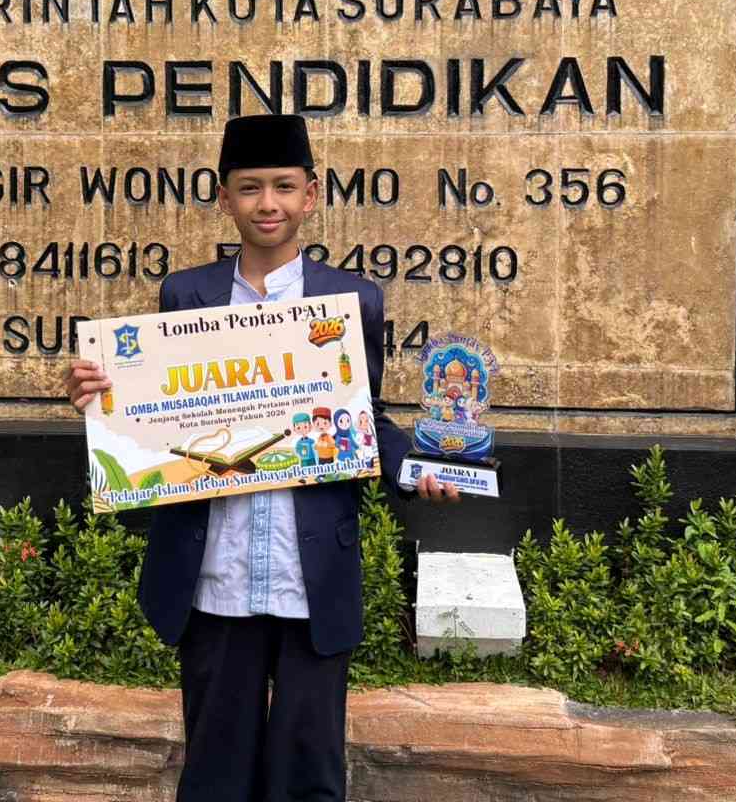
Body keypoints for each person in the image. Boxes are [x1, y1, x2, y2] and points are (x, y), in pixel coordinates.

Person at [65, 113, 459, 802]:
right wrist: (99, 397)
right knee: (216, 771)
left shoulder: (352, 300)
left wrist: (416, 469)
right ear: (224, 199)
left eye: (283, 186)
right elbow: (161, 410)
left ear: (311, 194)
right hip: (217, 568)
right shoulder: (186, 295)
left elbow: (363, 417)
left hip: (309, 571)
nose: (267, 203)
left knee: (308, 773)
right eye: (249, 188)